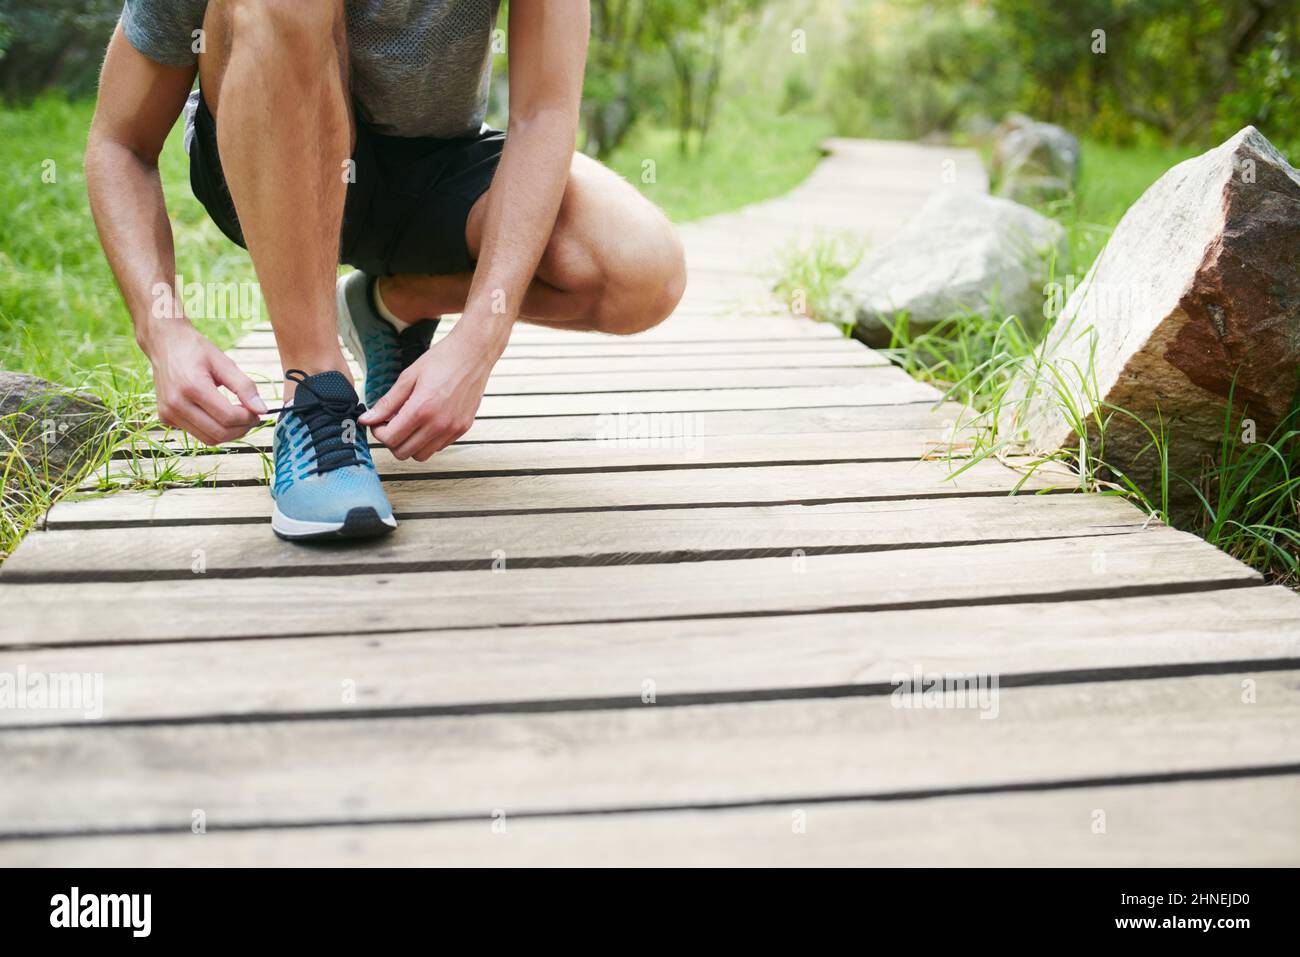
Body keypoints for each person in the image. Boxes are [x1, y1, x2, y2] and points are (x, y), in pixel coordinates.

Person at [85, 0, 687, 540]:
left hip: (435, 167)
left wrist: (480, 336)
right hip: (267, 152)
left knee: (641, 271)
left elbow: (543, 113)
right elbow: (121, 143)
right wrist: (161, 330)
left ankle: (396, 303)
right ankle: (315, 390)